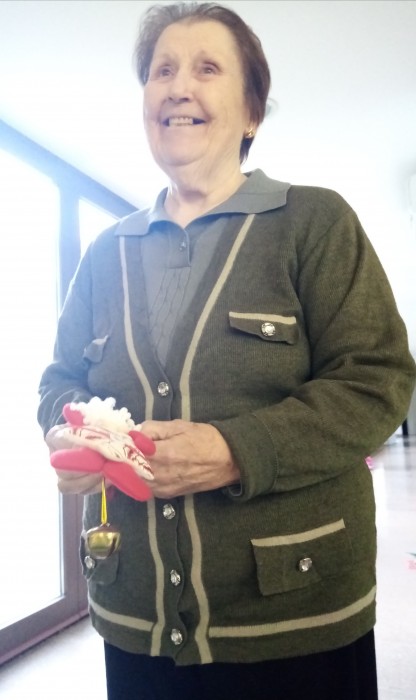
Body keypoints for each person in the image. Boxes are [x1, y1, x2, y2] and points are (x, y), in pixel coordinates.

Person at [38, 3, 416, 699]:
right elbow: (59, 379)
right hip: (136, 614)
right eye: (162, 71)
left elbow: (377, 381)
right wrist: (70, 429)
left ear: (251, 114)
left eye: (207, 68)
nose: (178, 87)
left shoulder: (315, 222)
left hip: (296, 617)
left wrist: (237, 450)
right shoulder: (103, 254)